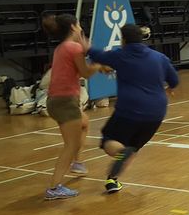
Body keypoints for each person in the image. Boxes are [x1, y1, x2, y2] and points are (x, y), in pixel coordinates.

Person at [87, 24, 179, 193]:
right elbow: (174, 79)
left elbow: (96, 54)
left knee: (109, 141)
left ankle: (122, 153)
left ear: (123, 39)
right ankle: (112, 180)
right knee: (134, 147)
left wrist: (85, 44)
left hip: (129, 110)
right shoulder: (159, 57)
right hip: (156, 113)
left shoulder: (120, 55)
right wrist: (169, 88)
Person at [42, 14, 104, 200]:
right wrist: (99, 63)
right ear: (73, 27)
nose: (80, 27)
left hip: (56, 100)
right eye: (78, 24)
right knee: (71, 144)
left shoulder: (62, 47)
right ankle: (54, 187)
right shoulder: (74, 47)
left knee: (84, 122)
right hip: (65, 101)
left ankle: (78, 163)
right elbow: (85, 72)